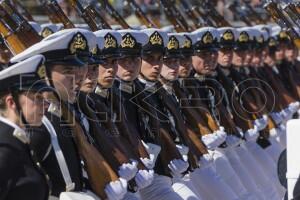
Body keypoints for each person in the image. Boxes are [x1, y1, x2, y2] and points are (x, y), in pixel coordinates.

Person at [10, 28, 128, 200]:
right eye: (68, 71)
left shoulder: (68, 113)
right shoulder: (38, 125)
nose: (79, 77)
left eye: (81, 68)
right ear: (42, 74)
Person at [0, 55, 52, 200]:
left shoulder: (16, 139)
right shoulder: (4, 150)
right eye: (38, 98)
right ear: (11, 103)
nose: (46, 104)